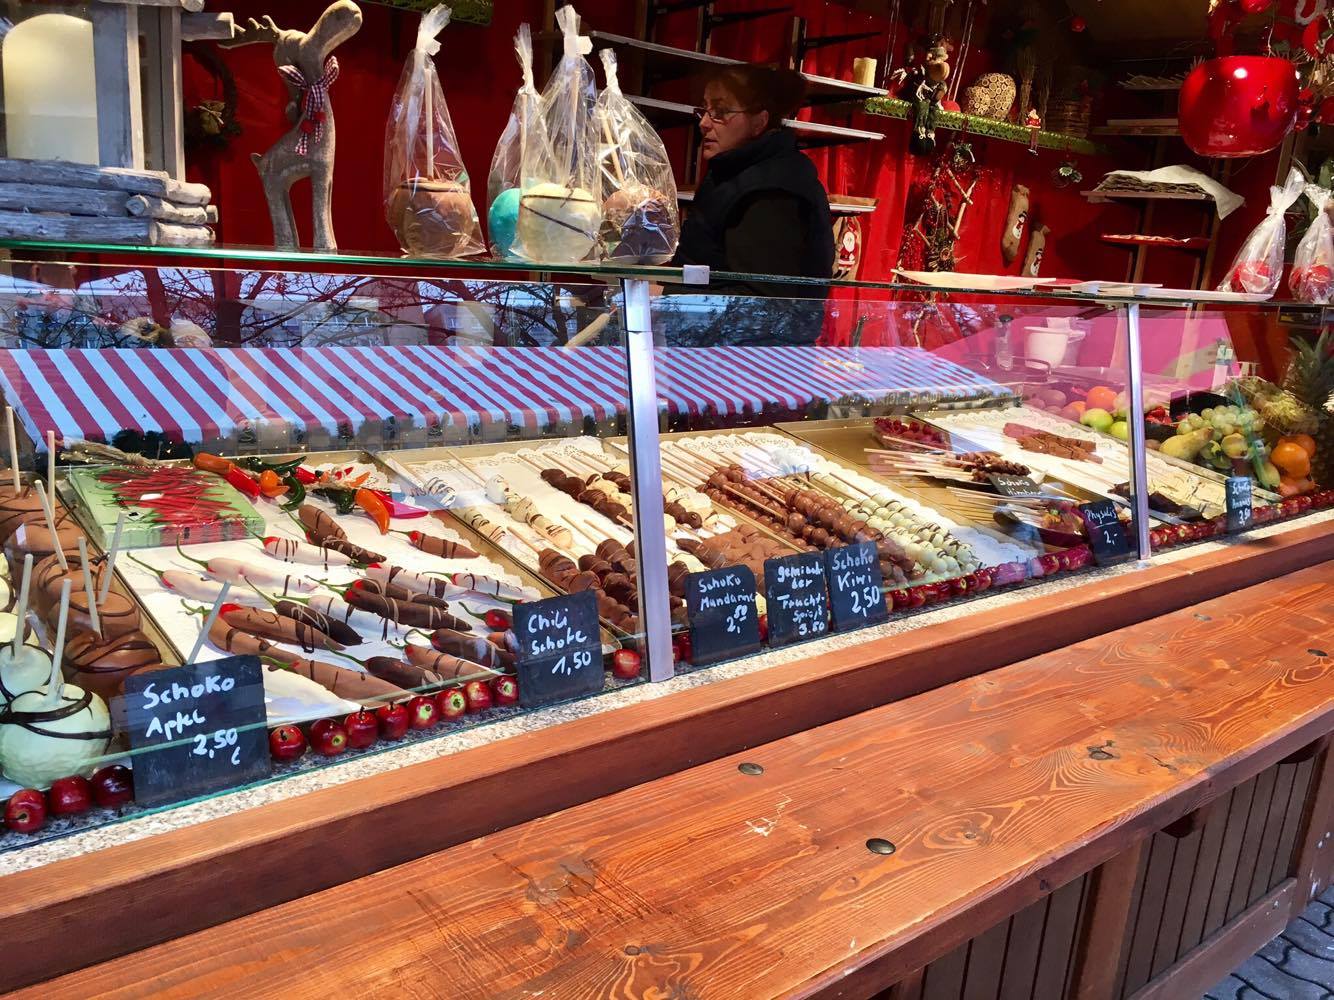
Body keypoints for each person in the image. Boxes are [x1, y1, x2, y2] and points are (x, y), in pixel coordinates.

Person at [672, 65, 835, 303]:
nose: (704, 123)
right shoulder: (734, 173)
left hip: (745, 340)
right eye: (705, 110)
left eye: (720, 112)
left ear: (760, 121)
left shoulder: (772, 192)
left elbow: (763, 306)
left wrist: (665, 298)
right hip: (709, 336)